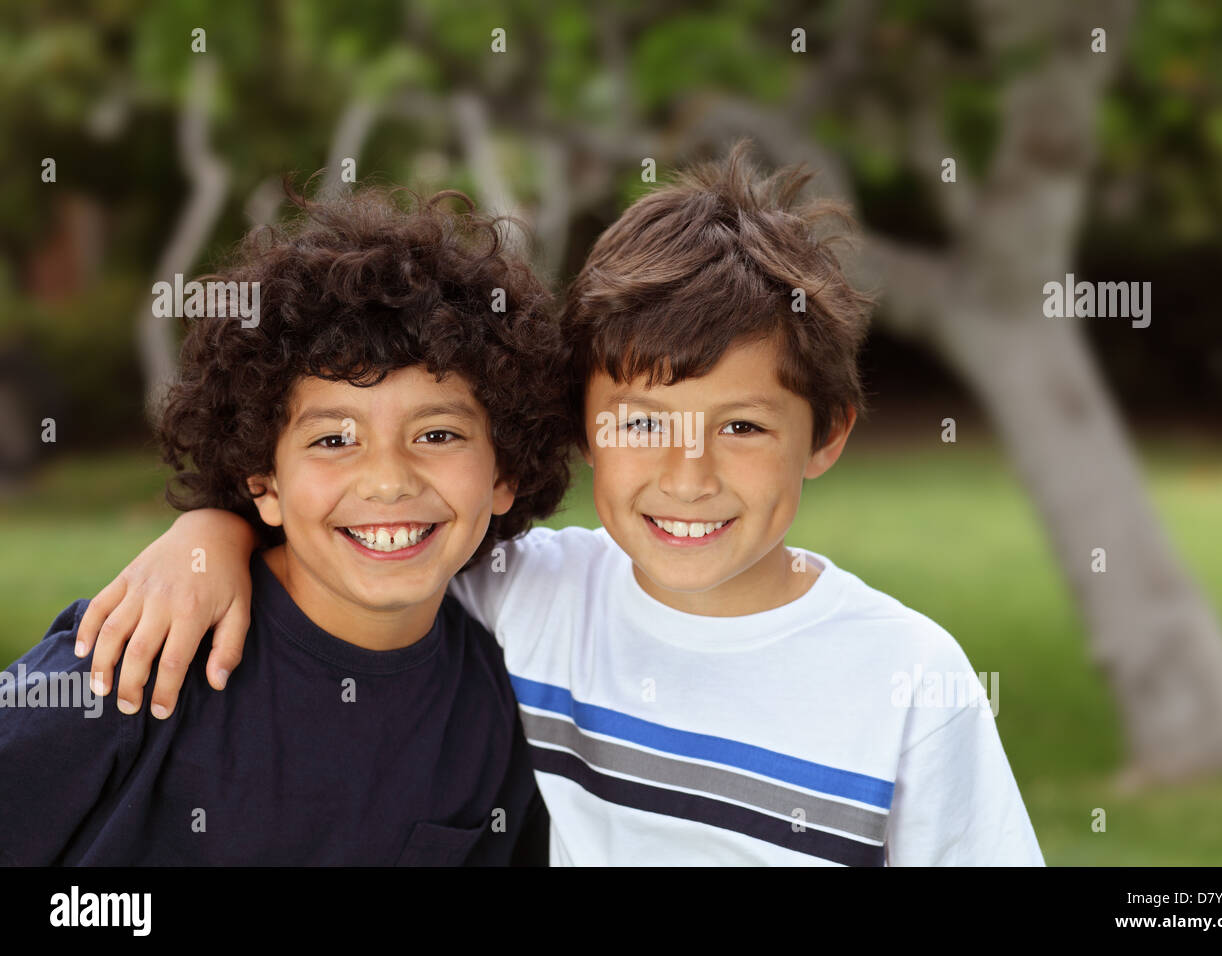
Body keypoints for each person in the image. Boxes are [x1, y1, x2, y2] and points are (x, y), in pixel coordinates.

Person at [73, 141, 1045, 866]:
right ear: (578, 429)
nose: (689, 473)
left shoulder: (910, 677)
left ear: (825, 433)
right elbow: (371, 533)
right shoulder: (524, 593)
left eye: (742, 427)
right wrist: (209, 528)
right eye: (640, 424)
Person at [0, 184, 570, 865]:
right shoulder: (138, 649)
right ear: (262, 482)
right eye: (334, 441)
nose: (388, 480)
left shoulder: (502, 711)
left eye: (438, 434)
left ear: (504, 472)